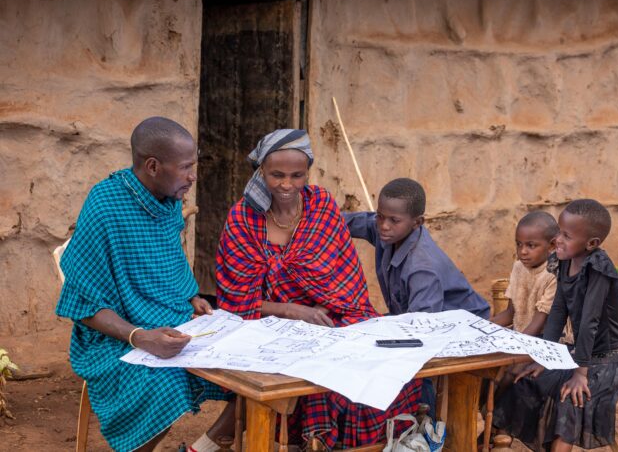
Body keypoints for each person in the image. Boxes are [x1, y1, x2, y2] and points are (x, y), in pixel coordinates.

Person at [216, 130, 423, 449]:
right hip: (266, 325)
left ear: (308, 172)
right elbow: (236, 300)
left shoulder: (321, 206)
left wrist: (324, 314)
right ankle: (310, 440)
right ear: (261, 171)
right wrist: (289, 310)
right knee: (308, 368)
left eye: (297, 175)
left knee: (373, 361)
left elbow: (347, 284)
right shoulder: (243, 219)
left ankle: (343, 442)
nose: (287, 185)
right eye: (277, 175)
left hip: (334, 317)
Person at [55, 117, 235, 452]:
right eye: (186, 167)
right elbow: (82, 305)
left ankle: (201, 450)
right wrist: (139, 336)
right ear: (153, 166)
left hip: (170, 323)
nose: (193, 176)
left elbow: (167, 264)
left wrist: (190, 296)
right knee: (163, 383)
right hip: (114, 337)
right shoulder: (106, 206)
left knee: (248, 374)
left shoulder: (168, 202)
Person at [492, 199, 618, 452]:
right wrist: (543, 358)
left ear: (591, 244)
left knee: (572, 398)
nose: (558, 239)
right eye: (559, 231)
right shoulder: (564, 262)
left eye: (566, 236)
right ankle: (495, 442)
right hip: (578, 352)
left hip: (611, 359)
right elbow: (557, 312)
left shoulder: (598, 270)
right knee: (526, 381)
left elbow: (590, 321)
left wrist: (580, 374)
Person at [343, 177, 490, 319]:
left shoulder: (422, 269)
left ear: (417, 222)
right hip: (414, 318)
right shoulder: (389, 230)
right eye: (380, 216)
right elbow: (336, 221)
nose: (384, 226)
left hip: (462, 328)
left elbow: (421, 328)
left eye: (394, 220)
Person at [490, 211, 562, 337]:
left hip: (544, 340)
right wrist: (480, 327)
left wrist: (516, 343)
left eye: (531, 245)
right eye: (519, 244)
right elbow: (511, 313)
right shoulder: (519, 267)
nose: (522, 251)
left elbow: (539, 322)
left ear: (552, 245)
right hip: (521, 334)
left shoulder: (554, 274)